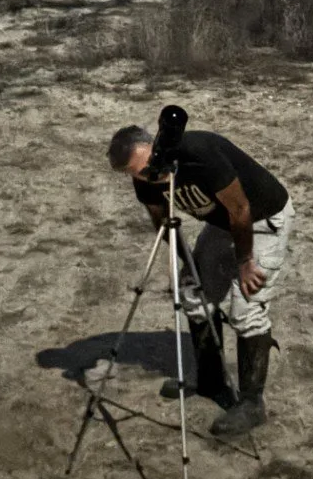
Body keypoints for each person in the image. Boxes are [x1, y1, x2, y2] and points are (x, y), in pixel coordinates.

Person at [106, 121, 295, 438]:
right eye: (137, 173)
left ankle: (251, 404)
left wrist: (246, 262)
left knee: (246, 311)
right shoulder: (144, 182)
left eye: (149, 164)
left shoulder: (200, 153)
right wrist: (189, 263)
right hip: (224, 225)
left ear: (156, 146)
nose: (149, 174)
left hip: (263, 218)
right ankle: (210, 381)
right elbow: (164, 225)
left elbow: (240, 207)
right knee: (193, 294)